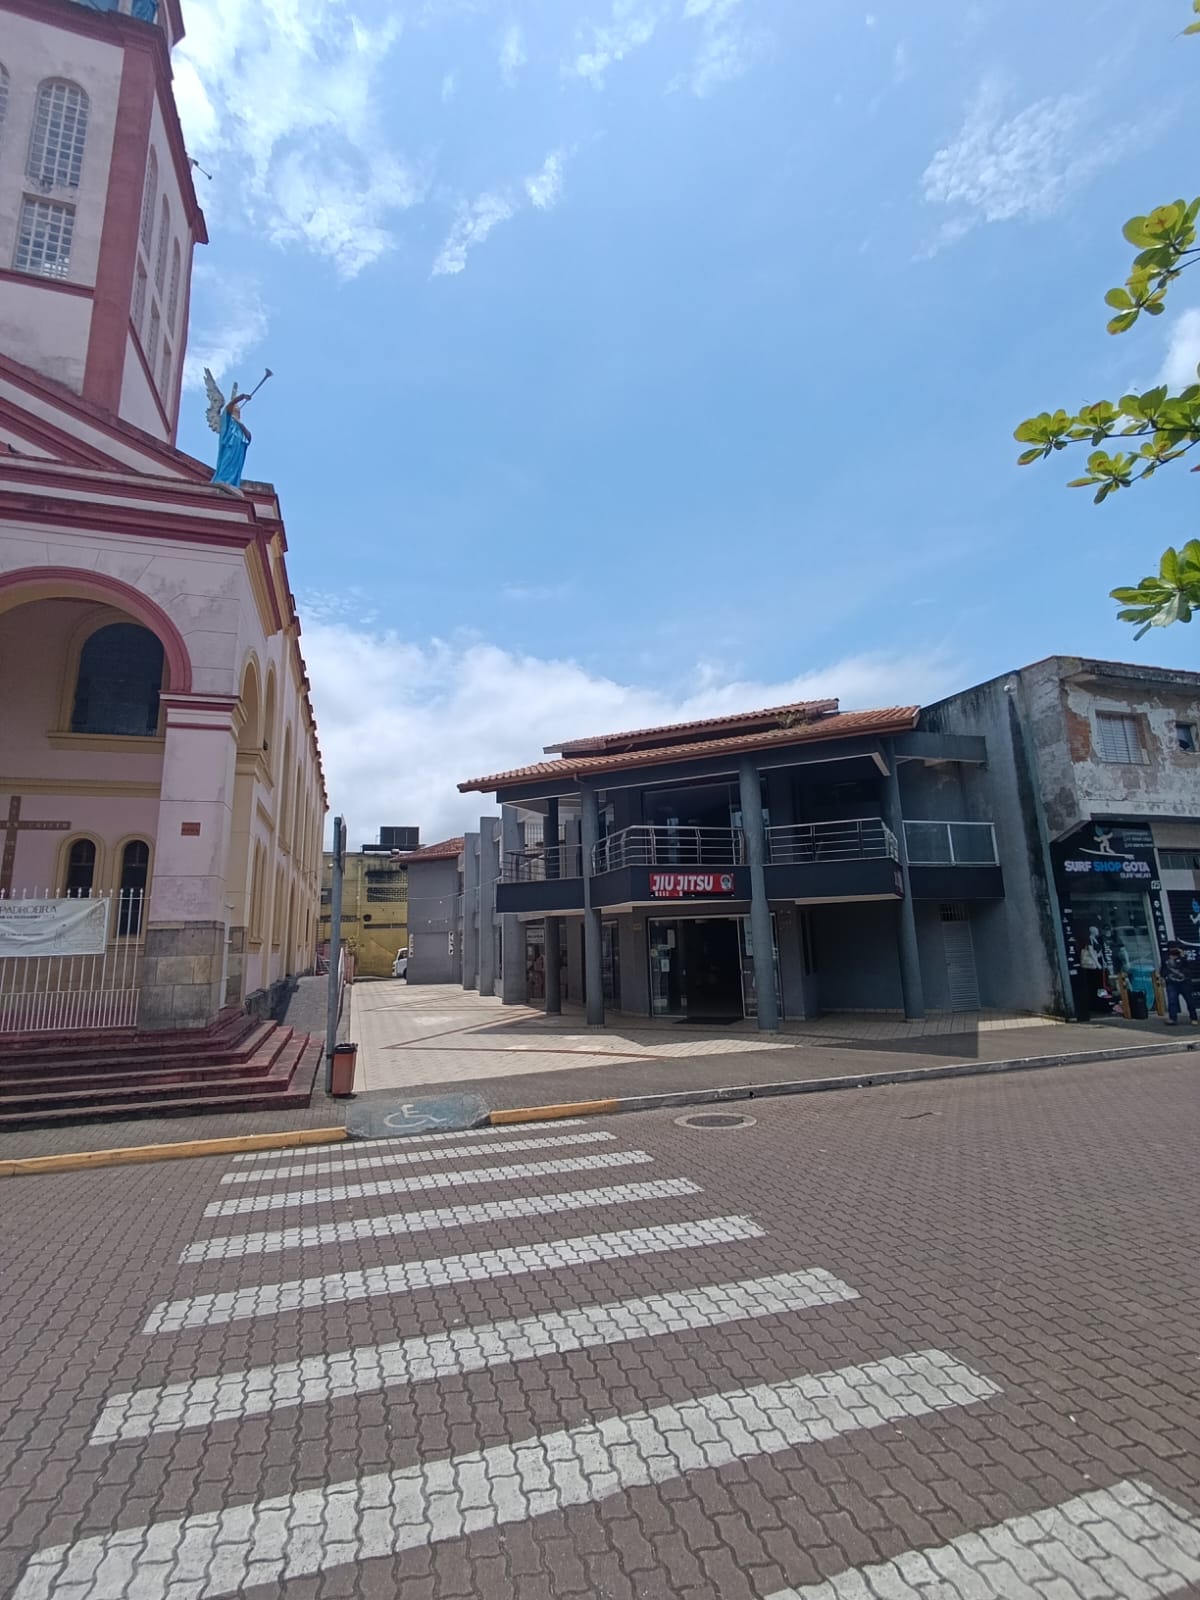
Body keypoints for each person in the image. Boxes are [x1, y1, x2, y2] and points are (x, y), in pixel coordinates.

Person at [1161, 943, 1198, 1025]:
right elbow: (1163, 969)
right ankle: (1173, 1018)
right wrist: (1164, 977)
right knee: (1172, 1001)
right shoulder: (1166, 957)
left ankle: (1194, 1018)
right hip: (1172, 982)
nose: (1173, 950)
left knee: (1189, 1000)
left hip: (1184, 982)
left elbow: (1190, 967)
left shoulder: (1183, 957)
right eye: (1171, 948)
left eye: (1175, 948)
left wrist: (1183, 957)